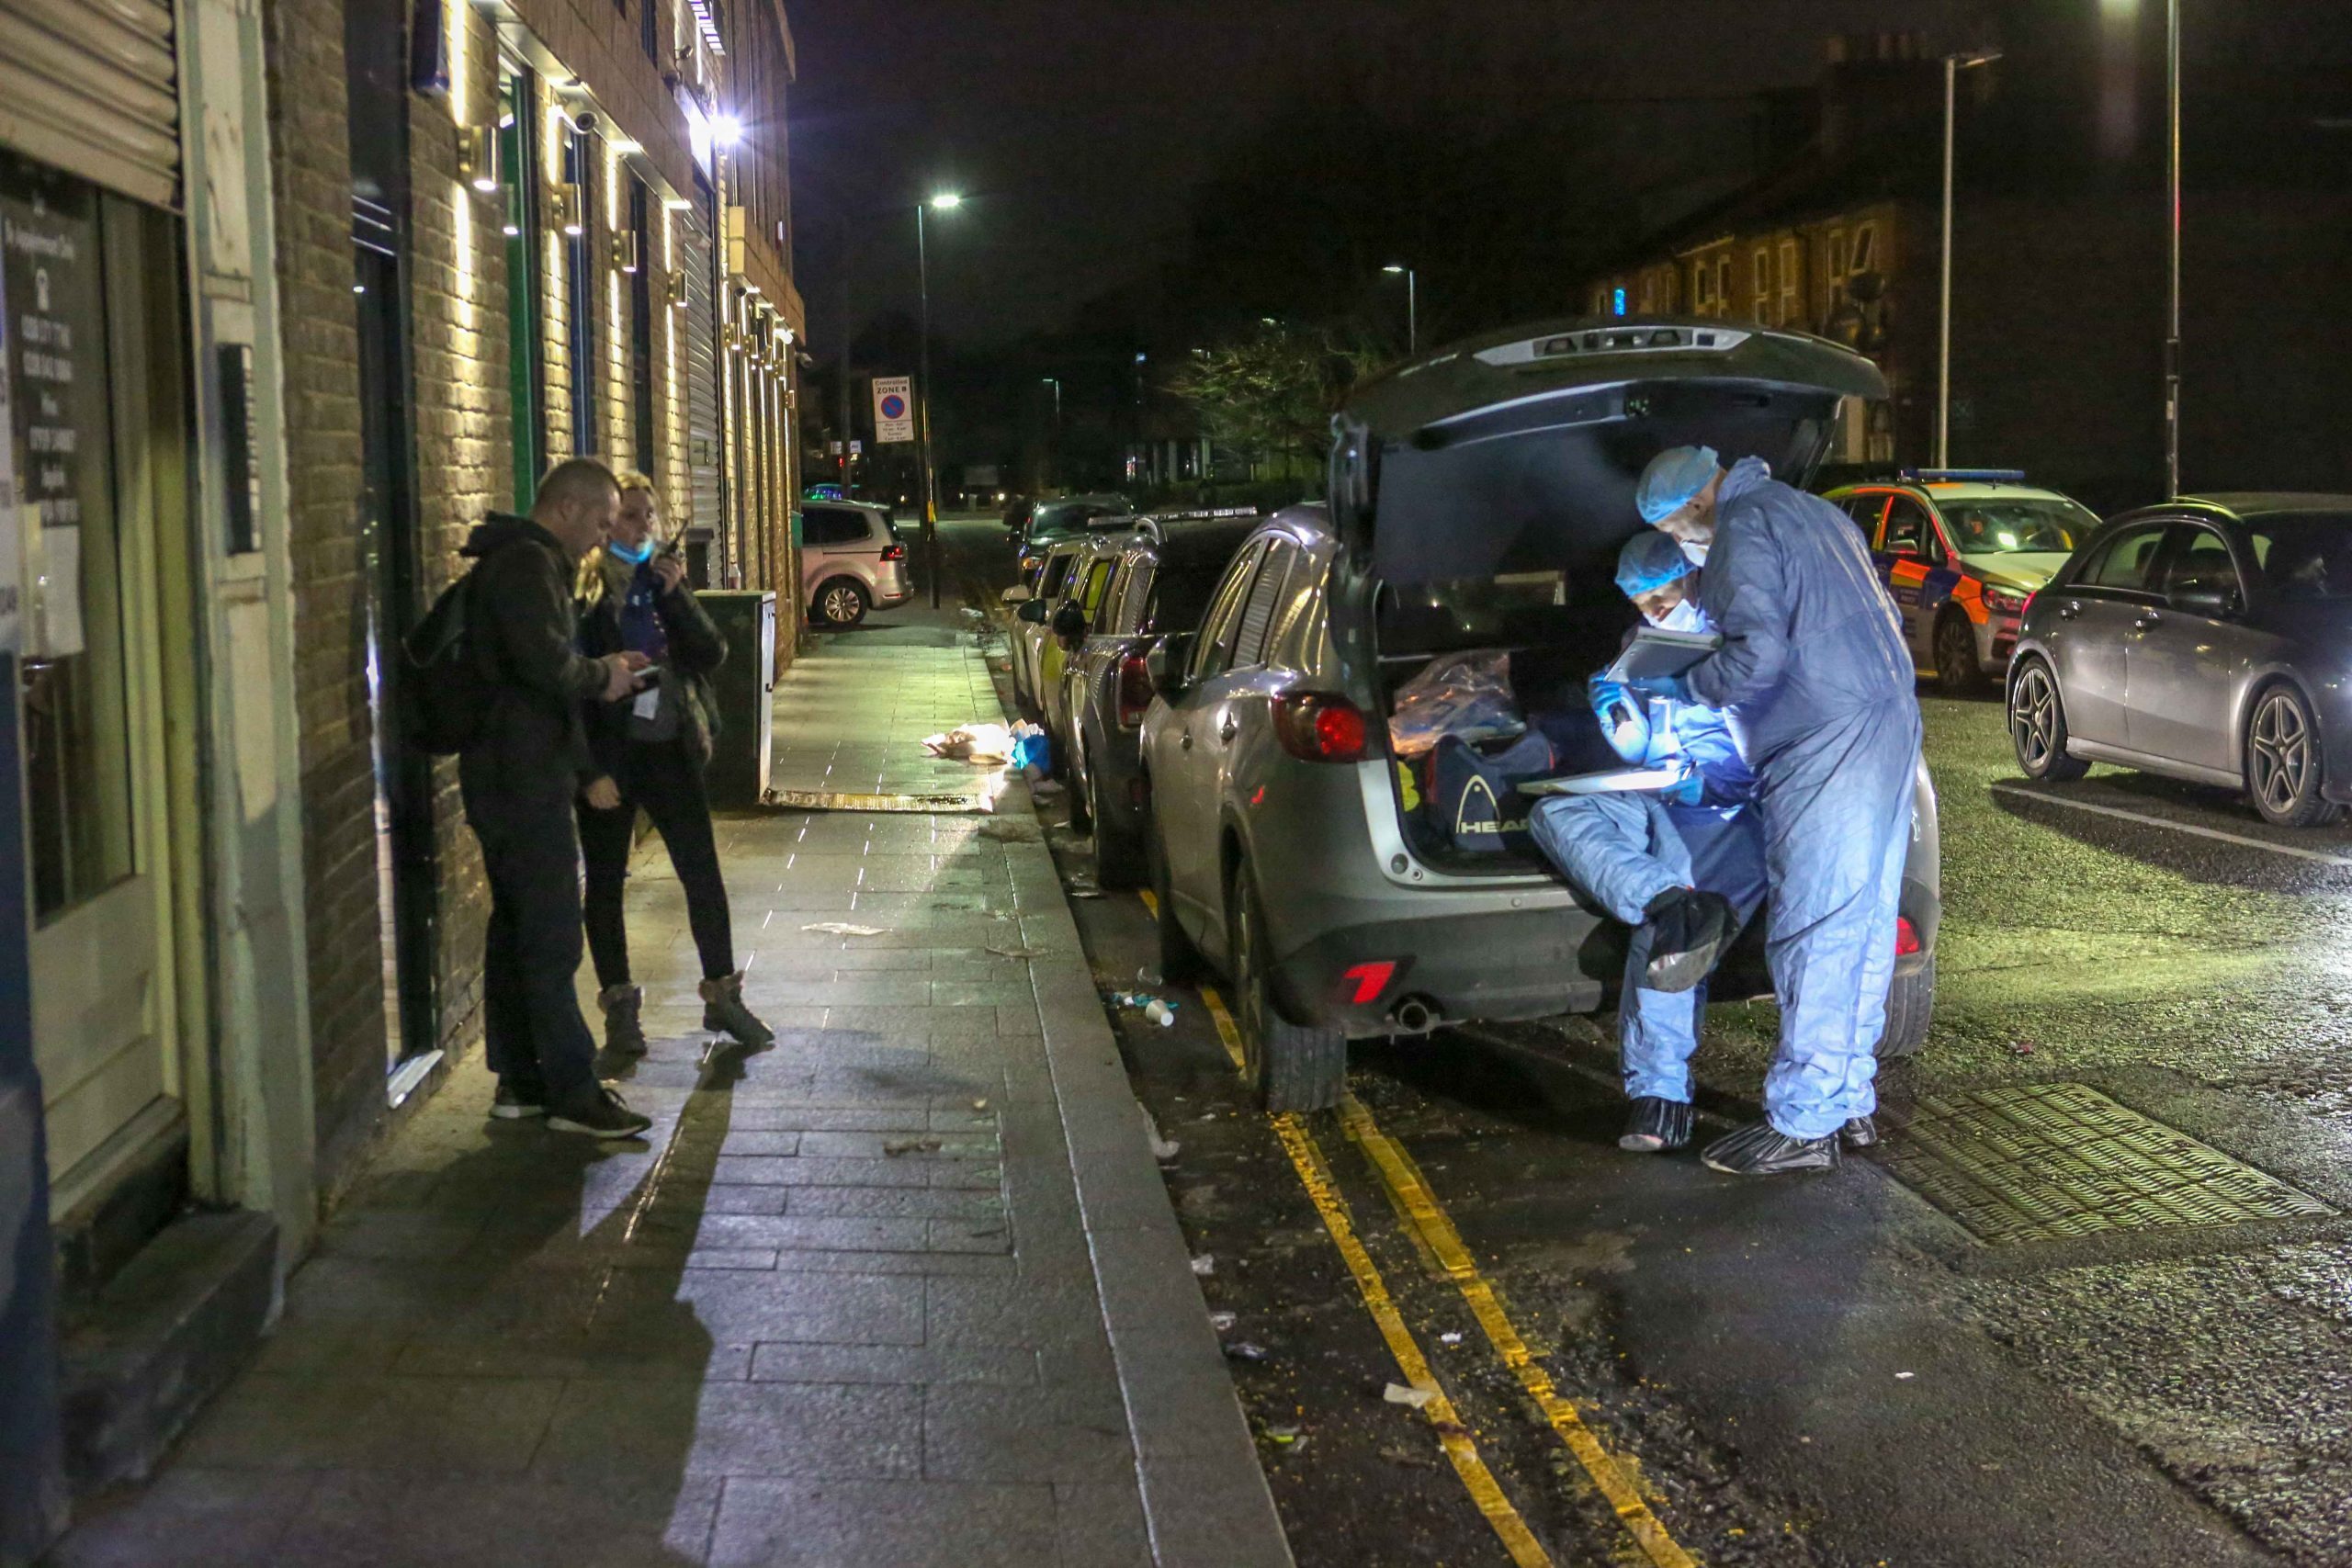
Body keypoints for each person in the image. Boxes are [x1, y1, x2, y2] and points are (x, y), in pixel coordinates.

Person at [1635, 444, 1923, 1176]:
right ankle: (1845, 1097)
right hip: (1887, 720)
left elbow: (1757, 658)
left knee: (1816, 925)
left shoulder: (1740, 529)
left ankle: (1803, 1123)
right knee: (1863, 920)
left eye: (1673, 530)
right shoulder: (1816, 512)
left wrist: (1685, 685)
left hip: (1819, 736)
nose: (1680, 544)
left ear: (1695, 505)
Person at [1528, 532, 1767, 1153]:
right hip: (1658, 798)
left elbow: (1767, 752)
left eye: (1662, 598)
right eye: (1641, 603)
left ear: (1690, 578)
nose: (1654, 612)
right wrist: (1620, 718)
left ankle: (1660, 1097)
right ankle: (1662, 896)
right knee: (1554, 812)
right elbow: (1642, 741)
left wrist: (1709, 780)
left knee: (1669, 942)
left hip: (1722, 814)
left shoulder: (1737, 640)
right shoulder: (1641, 642)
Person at [457, 457, 652, 1138]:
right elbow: (545, 665)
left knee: (517, 930)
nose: (603, 537)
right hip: (522, 778)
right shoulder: (527, 566)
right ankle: (572, 1091)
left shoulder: (519, 561)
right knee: (552, 935)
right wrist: (604, 675)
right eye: (601, 521)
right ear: (567, 508)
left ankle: (520, 1082)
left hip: (509, 773)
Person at [575, 473, 773, 1053]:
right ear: (608, 523)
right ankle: (620, 1009)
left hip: (668, 748)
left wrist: (677, 594)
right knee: (605, 882)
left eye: (648, 515)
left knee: (701, 872)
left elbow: (711, 652)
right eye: (629, 515)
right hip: (611, 756)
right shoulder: (586, 588)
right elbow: (570, 690)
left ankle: (723, 997)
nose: (641, 526)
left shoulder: (664, 580)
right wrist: (589, 772)